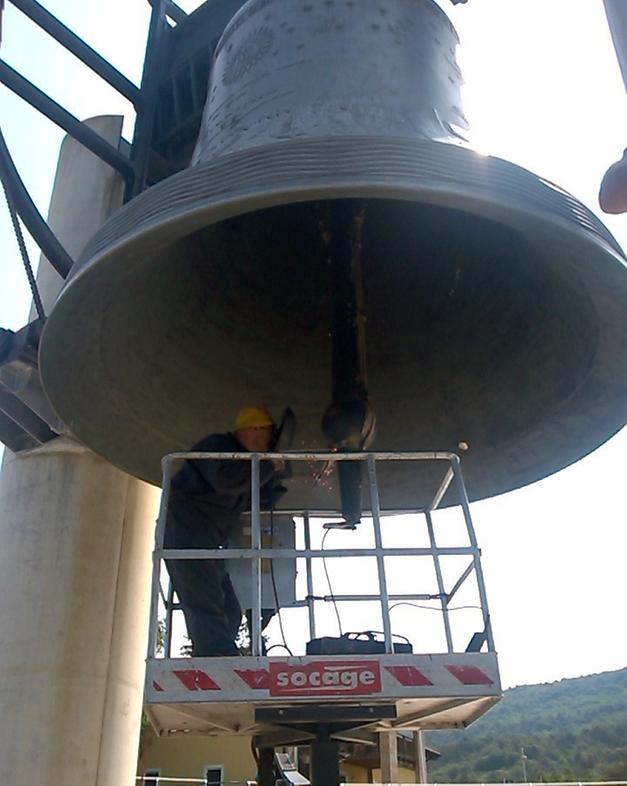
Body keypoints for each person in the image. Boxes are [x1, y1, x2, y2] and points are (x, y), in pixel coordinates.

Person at [165, 406, 284, 657]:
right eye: (268, 434)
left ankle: (216, 653)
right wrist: (267, 467)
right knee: (203, 598)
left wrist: (275, 479)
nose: (269, 442)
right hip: (185, 534)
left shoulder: (246, 466)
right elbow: (227, 482)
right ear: (255, 430)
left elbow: (258, 499)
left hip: (207, 541)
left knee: (230, 611)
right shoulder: (218, 447)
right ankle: (213, 654)